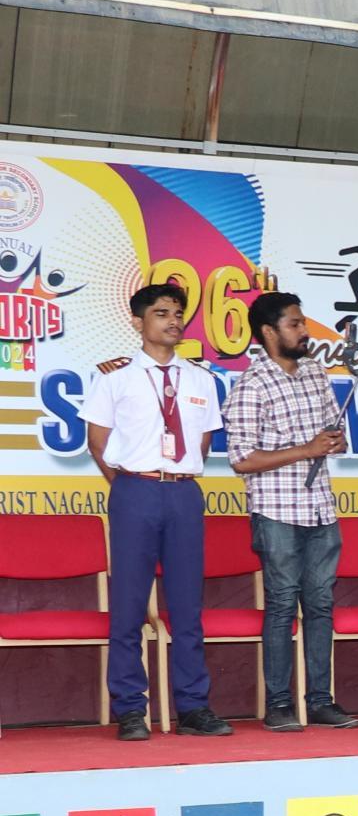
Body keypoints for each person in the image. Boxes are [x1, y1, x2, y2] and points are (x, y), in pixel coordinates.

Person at [84, 282, 230, 740]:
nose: (173, 321)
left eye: (178, 313)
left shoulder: (202, 378)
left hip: (184, 494)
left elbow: (204, 443)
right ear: (138, 322)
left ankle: (193, 708)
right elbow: (98, 443)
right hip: (135, 492)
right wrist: (131, 485)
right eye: (162, 313)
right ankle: (130, 709)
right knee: (128, 605)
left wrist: (171, 476)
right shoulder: (115, 376)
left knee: (187, 607)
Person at [227, 290, 357, 732]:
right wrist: (307, 448)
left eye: (303, 323)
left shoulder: (316, 374)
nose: (304, 331)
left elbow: (333, 438)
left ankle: (321, 700)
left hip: (321, 508)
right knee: (283, 606)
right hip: (277, 511)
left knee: (321, 605)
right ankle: (279, 705)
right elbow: (242, 459)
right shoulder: (251, 384)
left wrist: (335, 442)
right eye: (295, 324)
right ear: (269, 332)